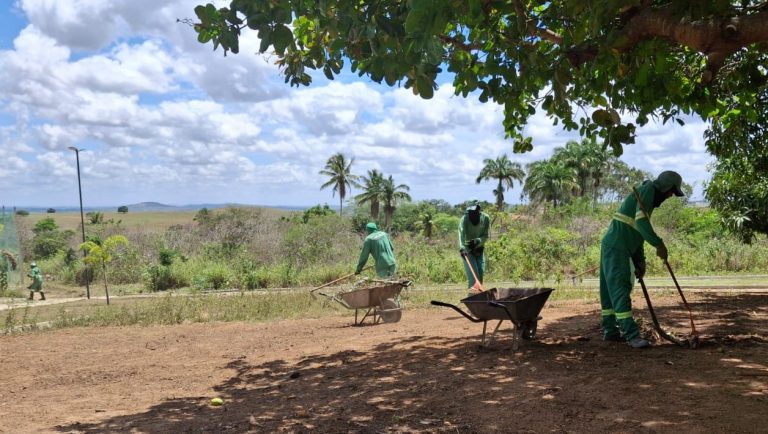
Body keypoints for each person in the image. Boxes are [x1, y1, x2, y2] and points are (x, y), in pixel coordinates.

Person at [600, 170, 684, 348]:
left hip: (616, 246)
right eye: (671, 192)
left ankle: (611, 331)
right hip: (617, 247)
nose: (670, 196)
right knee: (619, 289)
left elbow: (636, 231)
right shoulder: (648, 191)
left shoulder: (647, 197)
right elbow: (641, 224)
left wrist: (640, 261)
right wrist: (659, 244)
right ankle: (632, 335)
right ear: (665, 187)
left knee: (610, 292)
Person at [458, 199, 490, 290]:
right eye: (470, 211)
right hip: (468, 251)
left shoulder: (485, 218)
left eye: (474, 210)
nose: (472, 213)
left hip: (479, 250)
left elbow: (485, 236)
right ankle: (471, 301)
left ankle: (478, 302)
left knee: (480, 276)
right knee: (473, 278)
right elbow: (461, 234)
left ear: (479, 208)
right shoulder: (464, 219)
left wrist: (478, 241)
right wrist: (462, 248)